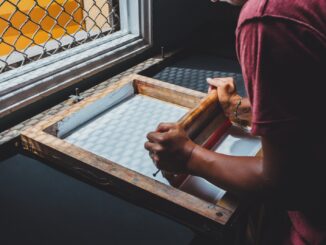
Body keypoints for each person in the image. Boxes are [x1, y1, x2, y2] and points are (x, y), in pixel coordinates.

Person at [145, 0, 326, 244]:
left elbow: (287, 184)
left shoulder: (269, 19)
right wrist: (238, 107)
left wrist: (188, 156)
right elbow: (310, 106)